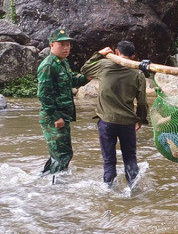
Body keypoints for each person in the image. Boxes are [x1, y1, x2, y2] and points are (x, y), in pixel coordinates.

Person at [80, 41, 148, 186]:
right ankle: (133, 189)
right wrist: (140, 119)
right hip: (127, 123)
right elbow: (142, 102)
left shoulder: (104, 65)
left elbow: (85, 69)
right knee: (130, 158)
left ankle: (108, 189)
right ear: (133, 56)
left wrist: (99, 54)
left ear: (116, 52)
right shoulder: (138, 73)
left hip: (106, 121)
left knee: (109, 160)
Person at [37, 28, 88, 174]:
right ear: (52, 45)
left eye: (68, 45)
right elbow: (43, 95)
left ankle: (44, 179)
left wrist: (86, 78)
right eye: (62, 44)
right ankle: (57, 184)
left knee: (59, 153)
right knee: (63, 154)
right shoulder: (48, 65)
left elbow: (71, 81)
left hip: (63, 116)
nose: (66, 48)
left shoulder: (63, 63)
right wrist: (56, 117)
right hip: (53, 117)